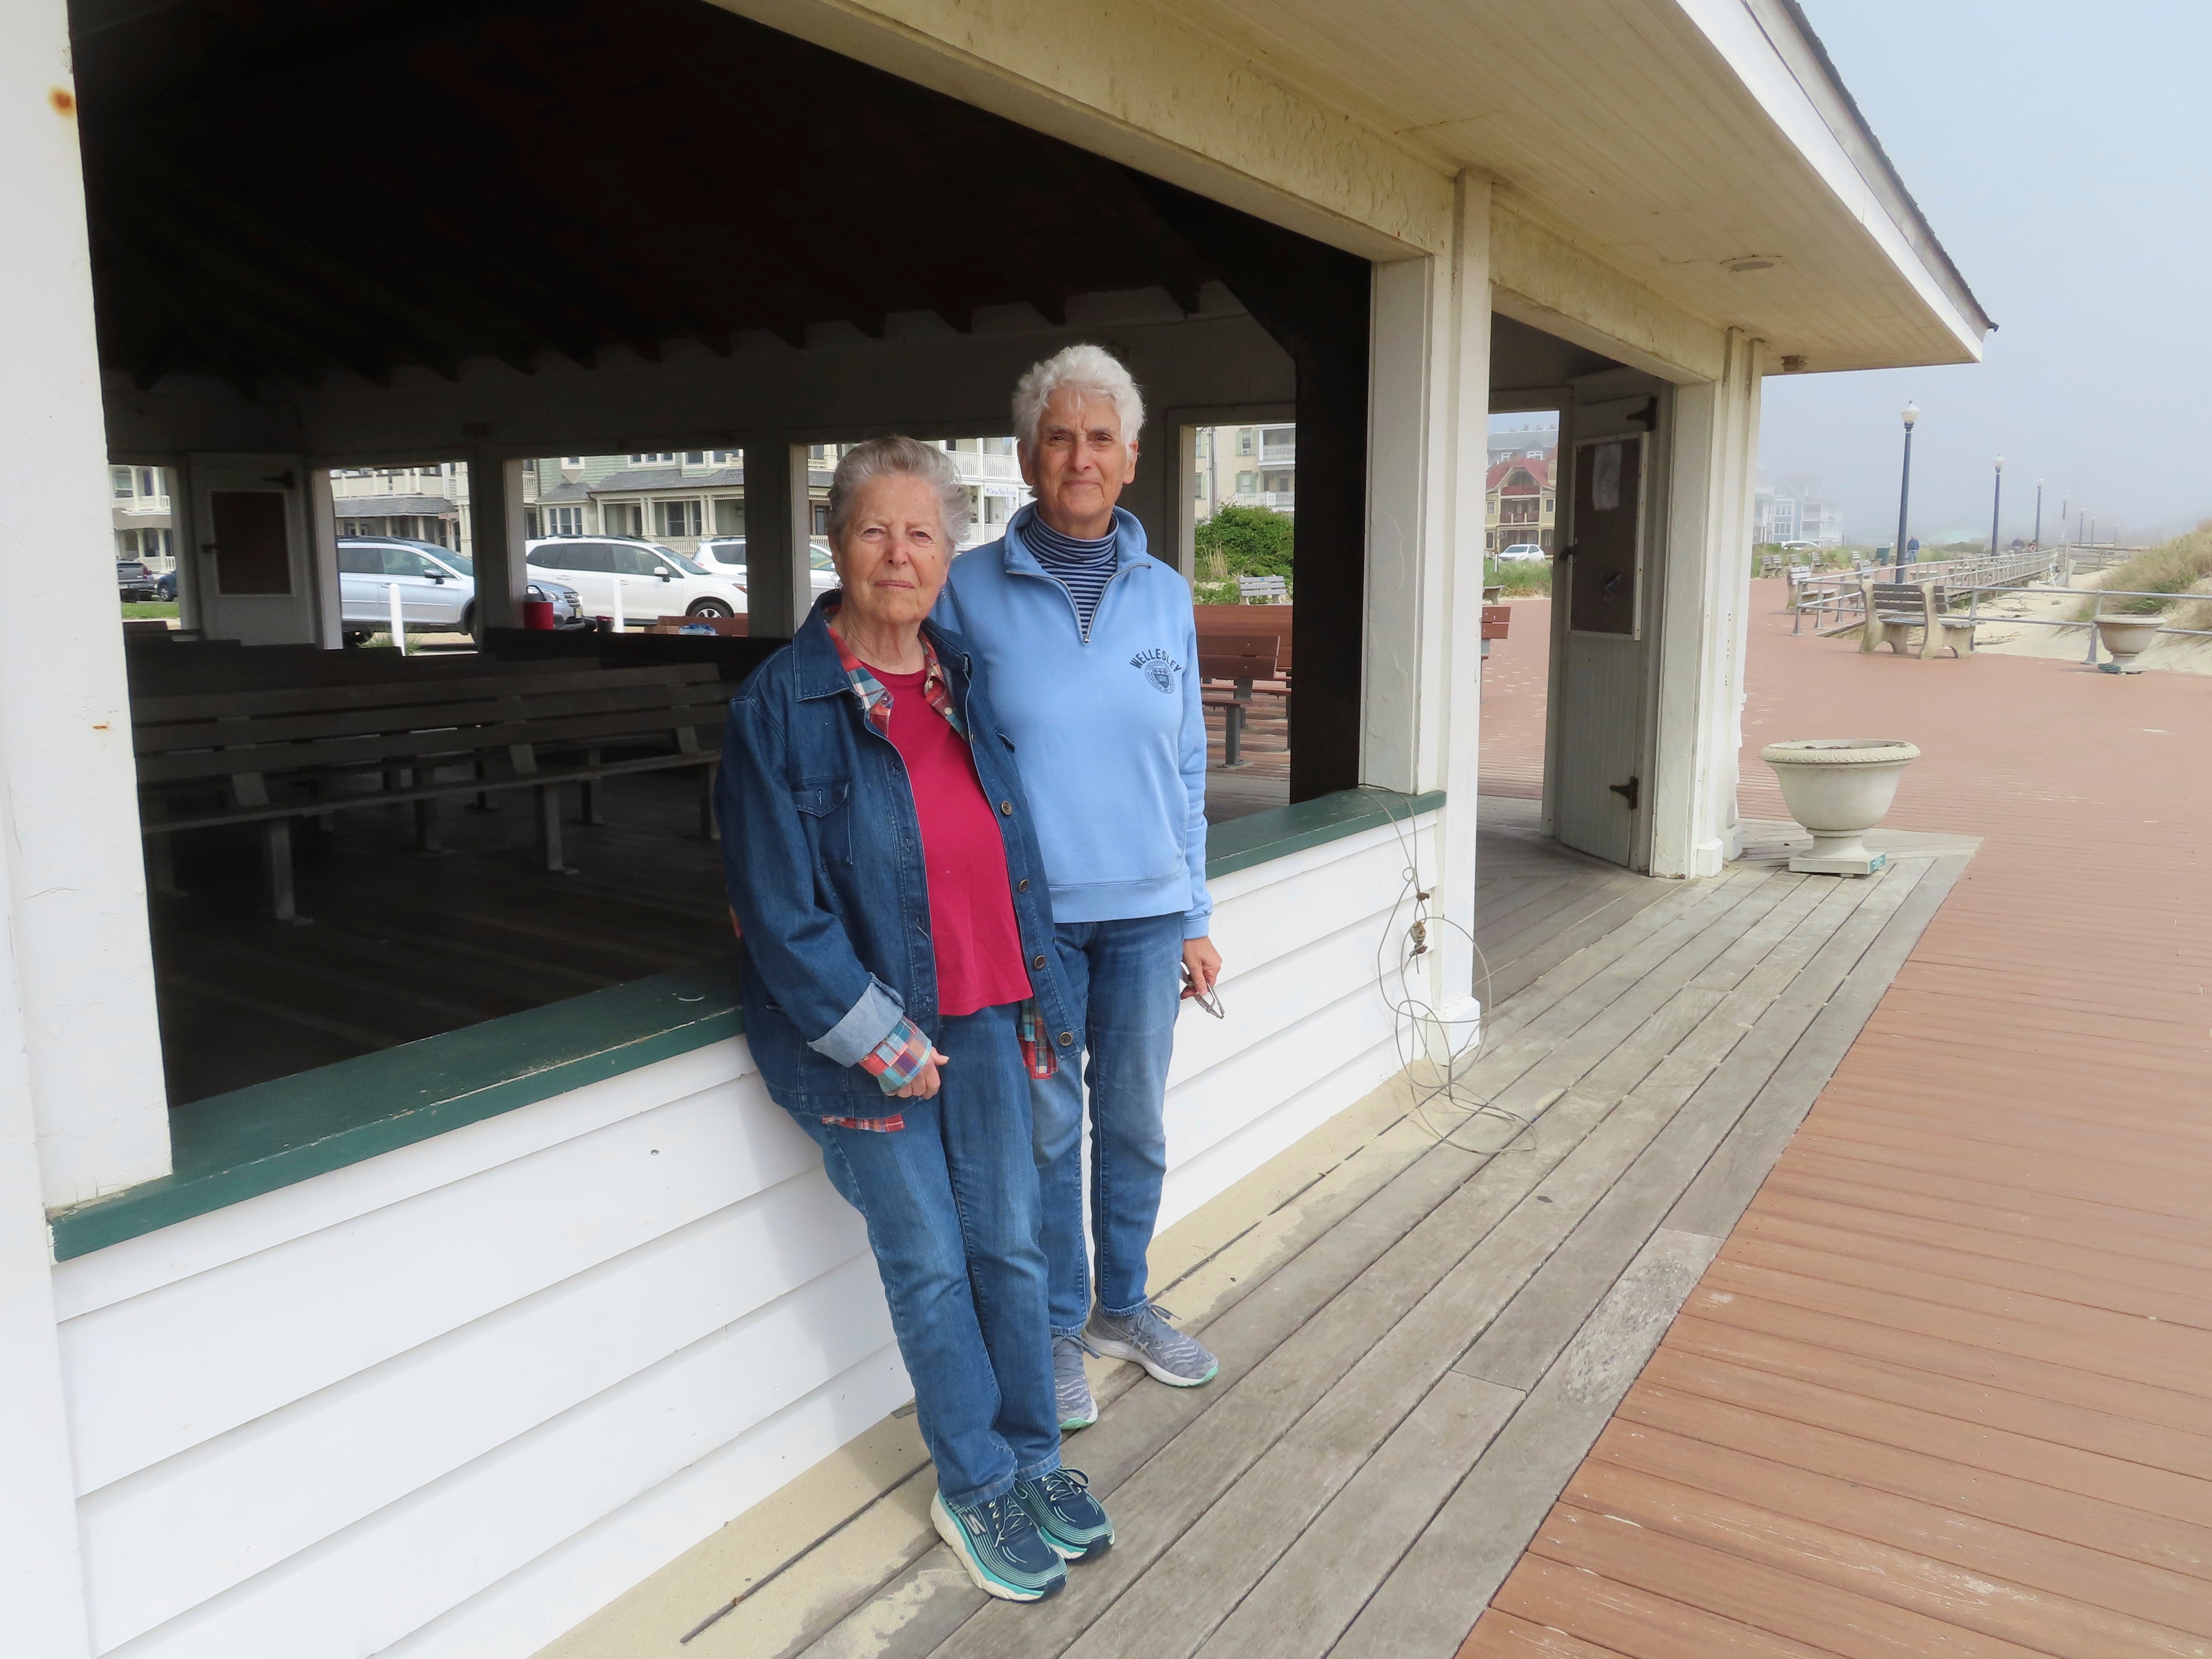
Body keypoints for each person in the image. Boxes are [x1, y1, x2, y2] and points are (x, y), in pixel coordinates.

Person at [719, 436, 1114, 1603]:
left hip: (994, 1014)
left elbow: (1011, 847)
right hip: (874, 1042)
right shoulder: (780, 705)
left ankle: (1035, 1460)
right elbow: (778, 912)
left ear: (950, 553)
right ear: (836, 544)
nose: (901, 553)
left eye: (925, 532)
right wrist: (886, 1045)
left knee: (1013, 1248)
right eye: (876, 530)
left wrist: (1043, 994)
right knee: (935, 1267)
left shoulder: (962, 670)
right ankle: (974, 1479)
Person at [938, 345, 1223, 1434]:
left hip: (1150, 913)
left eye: (1100, 437)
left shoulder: (1166, 596)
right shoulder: (965, 590)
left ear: (1133, 458)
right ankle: (1059, 1328)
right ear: (1025, 457)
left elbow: (1190, 764)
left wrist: (1196, 913)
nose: (1080, 457)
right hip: (1033, 921)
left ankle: (1125, 1306)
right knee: (1052, 1131)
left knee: (1135, 1123)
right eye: (1059, 437)